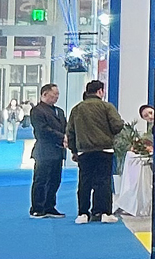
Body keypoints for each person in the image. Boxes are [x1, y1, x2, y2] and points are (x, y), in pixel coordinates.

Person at [66, 81, 123, 224]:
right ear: (100, 91)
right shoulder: (106, 106)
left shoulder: (77, 109)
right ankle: (103, 212)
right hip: (104, 149)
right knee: (103, 181)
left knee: (84, 182)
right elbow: (117, 125)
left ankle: (83, 213)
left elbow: (70, 132)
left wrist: (74, 150)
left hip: (84, 151)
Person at [27, 85, 66, 219]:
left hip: (58, 151)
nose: (57, 97)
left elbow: (65, 128)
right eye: (54, 94)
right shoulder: (37, 111)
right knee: (41, 180)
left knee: (55, 180)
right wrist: (62, 137)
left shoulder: (59, 111)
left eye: (58, 94)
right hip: (44, 151)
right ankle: (37, 208)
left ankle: (50, 206)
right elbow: (42, 130)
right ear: (44, 94)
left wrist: (68, 138)